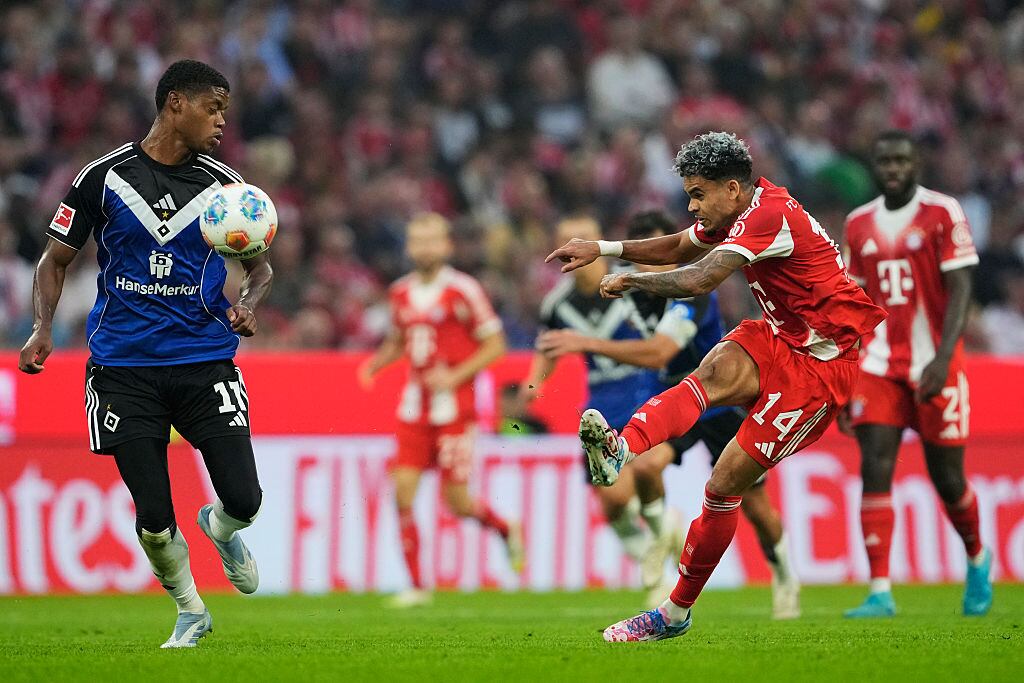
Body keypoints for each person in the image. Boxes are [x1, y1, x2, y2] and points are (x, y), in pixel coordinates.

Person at [547, 131, 886, 642]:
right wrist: (604, 248)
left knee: (725, 485)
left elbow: (699, 277)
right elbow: (683, 245)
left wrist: (631, 277)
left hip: (821, 367)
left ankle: (674, 613)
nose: (691, 204)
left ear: (732, 188)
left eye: (698, 194)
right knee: (710, 373)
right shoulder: (740, 212)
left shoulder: (768, 216)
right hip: (780, 338)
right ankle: (619, 449)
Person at [18, 60, 272, 648]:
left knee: (244, 498)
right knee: (155, 520)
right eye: (213, 109)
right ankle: (190, 610)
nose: (220, 123)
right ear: (175, 103)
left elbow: (260, 268)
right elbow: (55, 260)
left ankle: (221, 528)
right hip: (123, 370)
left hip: (205, 359)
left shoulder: (223, 186)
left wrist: (250, 304)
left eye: (225, 113)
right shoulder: (103, 177)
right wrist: (41, 328)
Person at [535, 211, 800, 617]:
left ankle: (783, 573)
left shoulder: (693, 292)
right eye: (643, 260)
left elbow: (660, 351)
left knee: (754, 504)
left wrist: (584, 342)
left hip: (721, 399)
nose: (649, 267)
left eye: (657, 257)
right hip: (676, 397)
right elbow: (581, 304)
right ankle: (662, 551)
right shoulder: (631, 292)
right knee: (643, 467)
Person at [841, 130, 993, 618]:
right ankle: (880, 590)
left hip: (935, 362)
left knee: (947, 478)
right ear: (875, 165)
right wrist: (845, 374)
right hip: (879, 363)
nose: (893, 168)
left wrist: (945, 357)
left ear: (916, 163)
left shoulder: (942, 212)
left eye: (901, 160)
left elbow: (962, 286)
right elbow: (854, 304)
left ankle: (976, 557)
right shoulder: (858, 223)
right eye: (884, 160)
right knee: (875, 465)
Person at [359, 212, 523, 607]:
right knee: (402, 492)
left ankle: (505, 528)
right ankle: (417, 585)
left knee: (457, 501)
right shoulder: (399, 292)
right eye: (417, 240)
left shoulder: (463, 290)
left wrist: (454, 377)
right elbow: (401, 339)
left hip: (455, 411)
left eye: (432, 240)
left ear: (447, 246)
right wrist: (377, 363)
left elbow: (495, 344)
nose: (424, 248)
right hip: (414, 409)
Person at [522, 214, 675, 592]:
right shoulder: (557, 304)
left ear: (597, 243)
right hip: (600, 406)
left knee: (637, 477)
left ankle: (661, 553)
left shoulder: (631, 282)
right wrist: (531, 387)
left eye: (584, 238)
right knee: (612, 503)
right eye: (565, 241)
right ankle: (656, 552)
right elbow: (548, 349)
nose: (574, 247)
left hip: (645, 392)